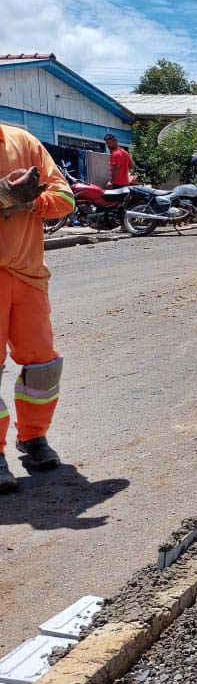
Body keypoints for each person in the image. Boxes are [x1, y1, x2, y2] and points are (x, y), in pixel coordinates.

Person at [0, 125, 76, 490]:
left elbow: (65, 198)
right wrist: (3, 196)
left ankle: (33, 438)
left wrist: (32, 202)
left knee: (43, 367)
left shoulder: (24, 142)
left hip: (28, 276)